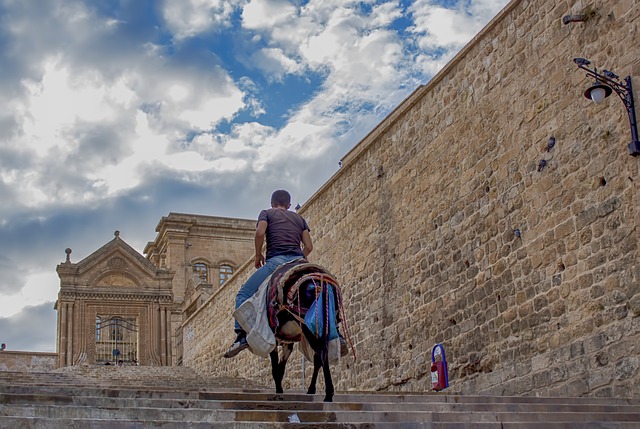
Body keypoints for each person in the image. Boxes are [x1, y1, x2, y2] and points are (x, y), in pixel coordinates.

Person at [224, 189, 313, 358]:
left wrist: (258, 255)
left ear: (272, 203)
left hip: (276, 263)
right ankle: (334, 333)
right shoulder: (300, 219)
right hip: (299, 262)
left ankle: (241, 336)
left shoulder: (266, 213)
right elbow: (308, 247)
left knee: (242, 295)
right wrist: (298, 259)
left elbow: (259, 233)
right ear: (289, 205)